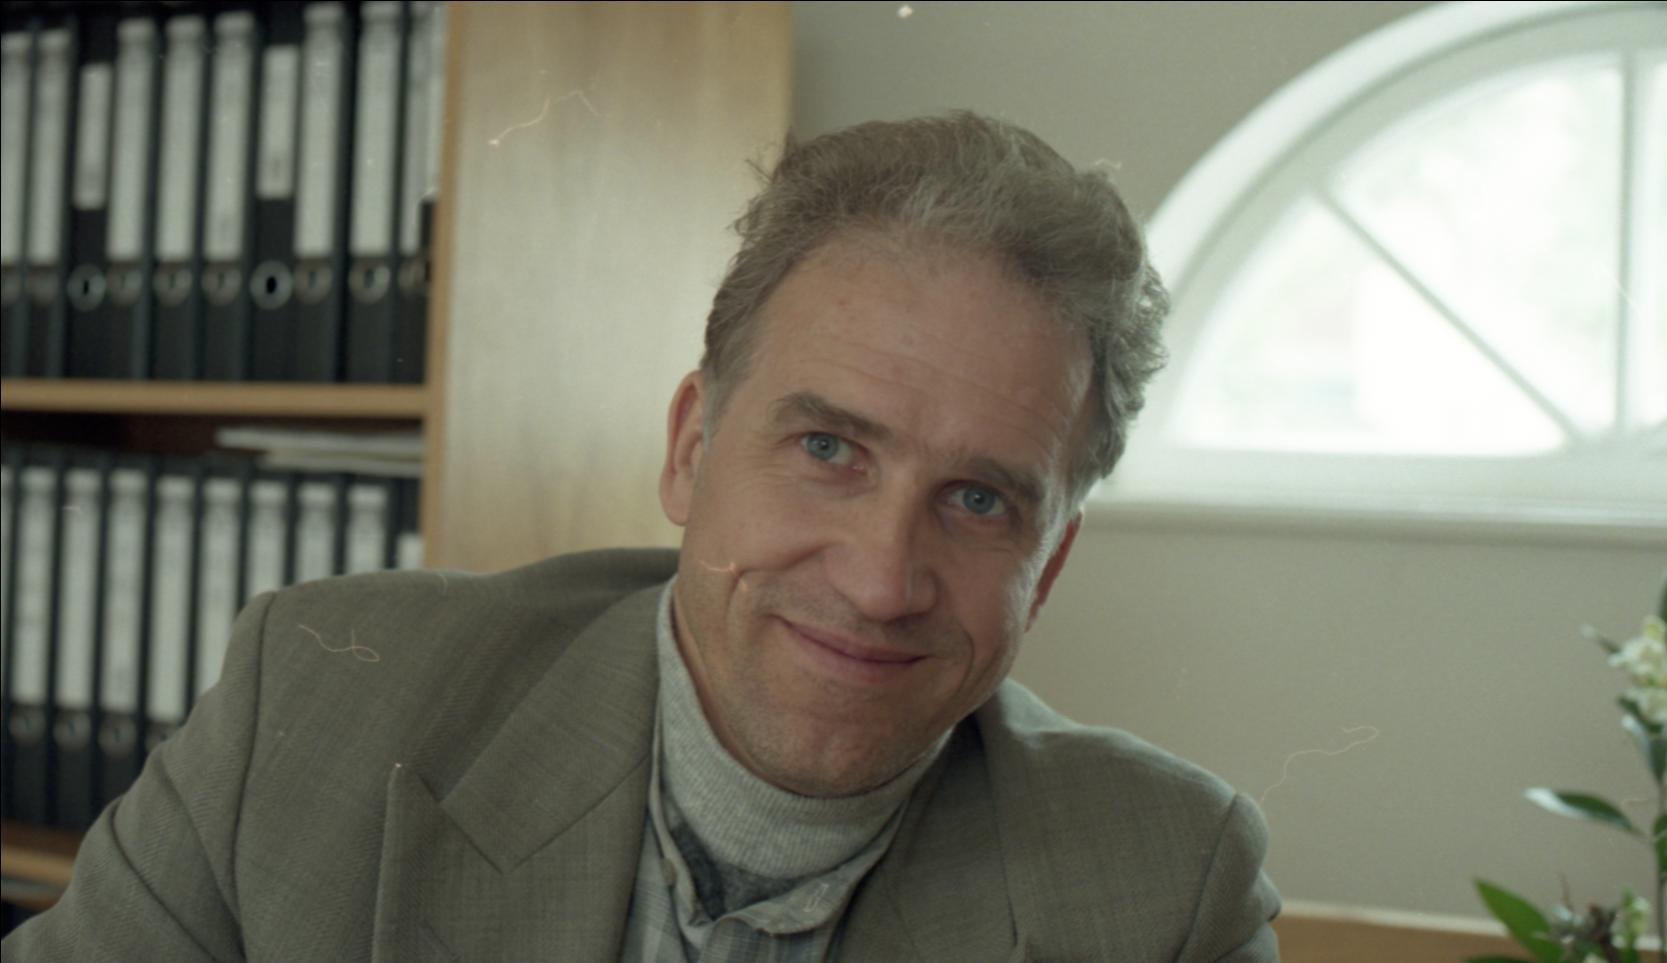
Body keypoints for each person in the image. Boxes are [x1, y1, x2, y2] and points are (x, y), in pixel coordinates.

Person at [5, 112, 1280, 961]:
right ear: (688, 448)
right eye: (827, 449)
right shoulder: (318, 704)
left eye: (979, 502)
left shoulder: (1164, 888)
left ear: (1046, 569)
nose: (881, 579)